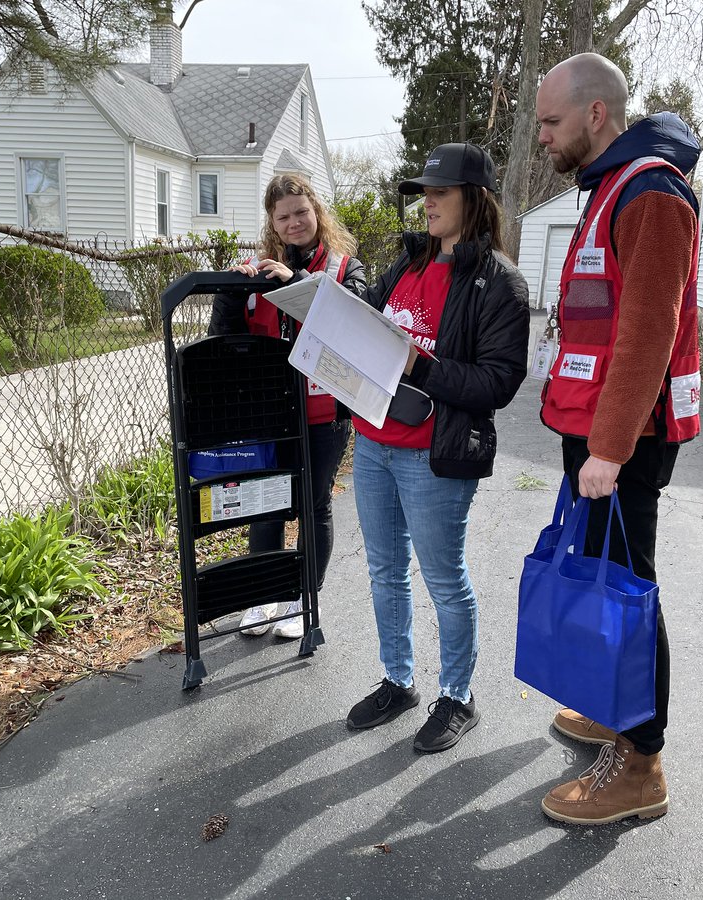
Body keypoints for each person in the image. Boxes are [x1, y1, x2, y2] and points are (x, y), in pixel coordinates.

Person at [533, 53, 702, 823]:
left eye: (551, 122)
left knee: (628, 590)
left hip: (622, 439)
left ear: (596, 115)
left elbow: (647, 333)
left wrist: (610, 447)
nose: (542, 137)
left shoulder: (651, 193)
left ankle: (642, 763)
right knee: (606, 572)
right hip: (599, 429)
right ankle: (615, 710)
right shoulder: (610, 188)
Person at [344, 143, 529, 753]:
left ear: (473, 200)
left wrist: (418, 363)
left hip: (435, 454)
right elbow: (364, 324)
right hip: (372, 444)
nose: (426, 202)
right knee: (384, 571)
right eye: (424, 191)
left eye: (439, 192)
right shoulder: (405, 265)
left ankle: (459, 695)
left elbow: (497, 383)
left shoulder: (498, 283)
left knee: (444, 581)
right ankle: (399, 681)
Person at [207, 172, 366, 640]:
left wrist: (297, 280)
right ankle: (263, 596)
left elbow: (354, 323)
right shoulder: (257, 268)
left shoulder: (344, 267)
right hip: (269, 413)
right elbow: (225, 339)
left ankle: (303, 599)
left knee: (315, 503)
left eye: (301, 212)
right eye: (284, 217)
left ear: (316, 212)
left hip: (323, 414)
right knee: (265, 506)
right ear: (272, 224)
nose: (295, 222)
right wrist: (232, 293)